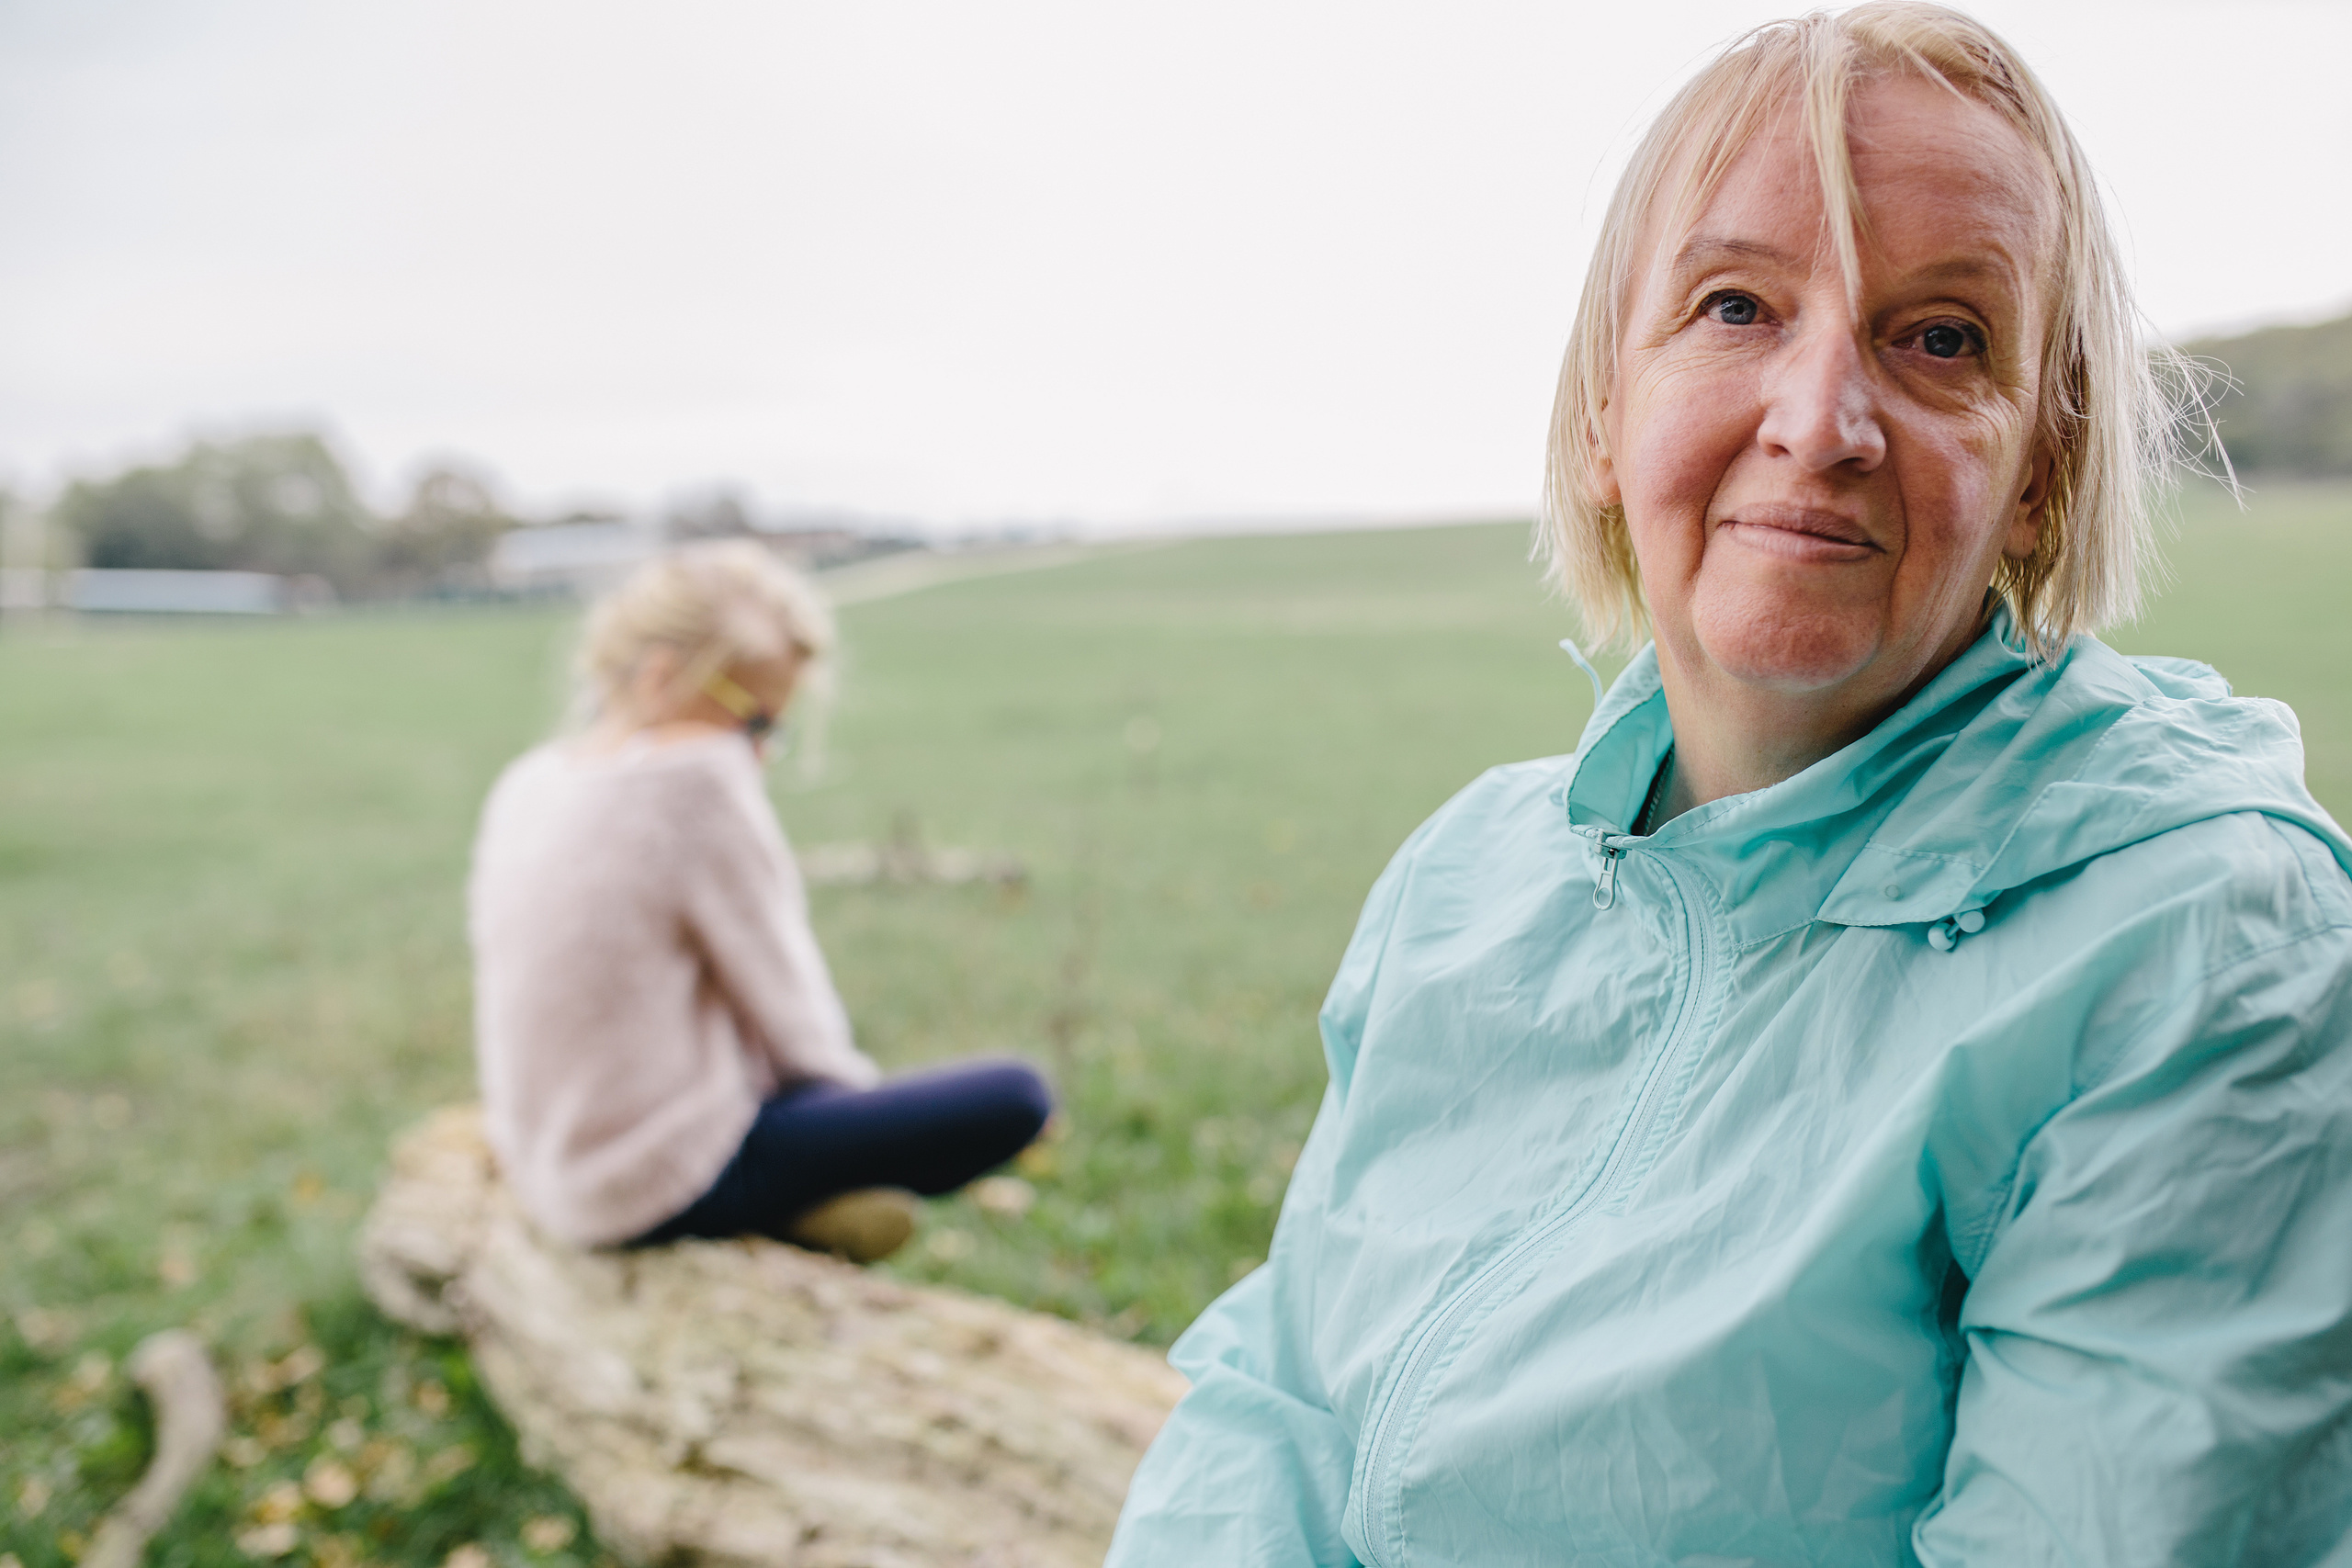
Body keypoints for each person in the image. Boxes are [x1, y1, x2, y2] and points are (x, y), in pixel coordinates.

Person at [1108, 6, 2352, 1563]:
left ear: (2039, 470)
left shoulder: (2204, 941)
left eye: (1943, 337)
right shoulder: (1469, 875)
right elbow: (1279, 1404)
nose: (1821, 422)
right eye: (1737, 305)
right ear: (1600, 421)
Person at [469, 540, 1052, 1263]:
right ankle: (807, 1206)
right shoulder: (695, 782)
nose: (763, 751)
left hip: (551, 1170)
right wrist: (854, 1133)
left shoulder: (528, 782)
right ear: (660, 679)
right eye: (755, 722)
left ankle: (808, 1197)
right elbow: (794, 1020)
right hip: (656, 1180)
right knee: (1020, 1095)